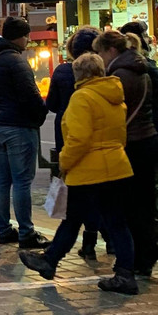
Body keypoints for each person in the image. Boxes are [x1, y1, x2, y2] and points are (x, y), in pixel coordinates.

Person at [17, 53, 138, 295]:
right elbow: (120, 134)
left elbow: (79, 139)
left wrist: (64, 162)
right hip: (117, 166)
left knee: (72, 218)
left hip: (89, 170)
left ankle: (50, 260)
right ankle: (125, 274)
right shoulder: (115, 95)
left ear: (79, 74)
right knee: (117, 222)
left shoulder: (82, 97)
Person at [93, 29, 158, 277]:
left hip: (131, 144)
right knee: (144, 203)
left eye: (101, 53)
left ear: (111, 50)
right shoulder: (140, 69)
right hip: (148, 139)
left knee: (129, 205)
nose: (100, 58)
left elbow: (114, 111)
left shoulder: (120, 75)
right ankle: (146, 251)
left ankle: (138, 256)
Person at [0, 17, 49, 248]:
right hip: (18, 126)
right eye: (26, 35)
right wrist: (41, 113)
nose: (28, 39)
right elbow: (30, 95)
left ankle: (4, 229)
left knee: (3, 179)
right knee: (22, 181)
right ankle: (26, 233)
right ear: (19, 37)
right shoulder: (15, 61)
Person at [120, 20, 158, 244]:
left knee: (152, 180)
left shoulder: (122, 67)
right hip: (156, 127)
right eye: (145, 35)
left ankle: (157, 219)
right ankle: (157, 223)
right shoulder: (142, 65)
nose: (148, 38)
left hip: (142, 130)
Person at [45, 26, 104, 258]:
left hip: (67, 135)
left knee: (76, 192)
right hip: (95, 137)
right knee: (96, 192)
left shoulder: (62, 71)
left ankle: (68, 248)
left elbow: (51, 104)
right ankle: (94, 240)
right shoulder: (102, 71)